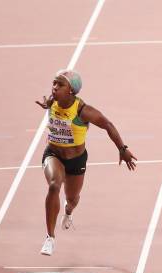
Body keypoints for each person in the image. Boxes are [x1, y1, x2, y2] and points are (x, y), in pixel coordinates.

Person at [36, 70, 136, 255]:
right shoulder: (52, 101)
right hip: (54, 154)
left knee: (72, 199)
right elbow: (50, 100)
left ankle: (68, 212)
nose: (55, 87)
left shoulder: (83, 110)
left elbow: (108, 125)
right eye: (54, 83)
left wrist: (122, 149)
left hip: (76, 160)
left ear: (72, 91)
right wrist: (47, 104)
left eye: (60, 85)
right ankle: (50, 238)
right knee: (53, 185)